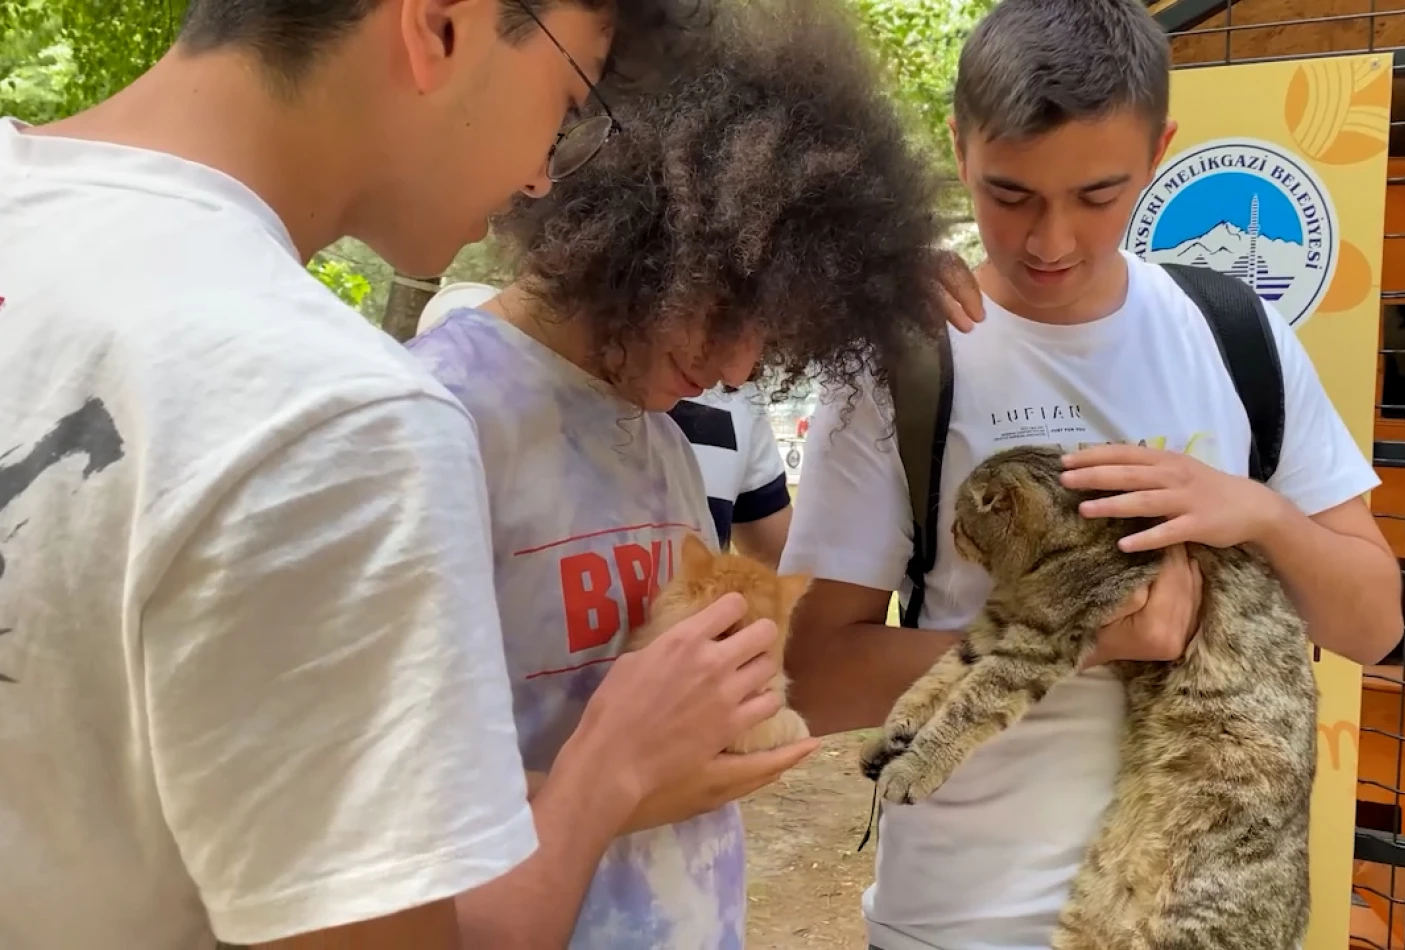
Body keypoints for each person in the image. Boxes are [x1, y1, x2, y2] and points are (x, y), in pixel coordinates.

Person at [0, 0, 977, 946]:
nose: (541, 173)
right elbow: (403, 847)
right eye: (563, 96)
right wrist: (619, 768)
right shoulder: (399, 417)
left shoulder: (666, 442)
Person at [779, 1, 1405, 948]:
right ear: (958, 148)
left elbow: (1375, 624)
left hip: (1192, 915)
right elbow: (814, 677)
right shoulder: (904, 361)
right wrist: (1095, 638)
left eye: (1099, 195)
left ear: (1160, 152)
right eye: (1011, 194)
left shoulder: (1235, 334)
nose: (1050, 242)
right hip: (961, 922)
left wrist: (1259, 515)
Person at [402, 0, 953, 943]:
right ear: (640, 233)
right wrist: (627, 785)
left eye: (774, 330)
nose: (740, 369)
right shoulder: (436, 421)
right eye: (730, 308)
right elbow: (390, 804)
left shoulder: (652, 425)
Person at [421, 286, 796, 567]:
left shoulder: (666, 446)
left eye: (766, 338)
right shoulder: (428, 412)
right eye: (725, 316)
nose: (736, 374)